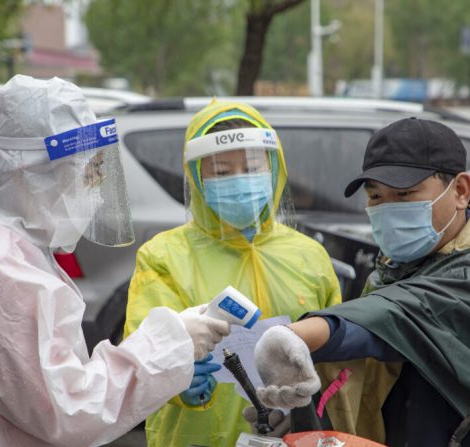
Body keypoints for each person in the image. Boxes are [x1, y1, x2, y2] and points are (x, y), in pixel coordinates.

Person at [0, 75, 231, 447]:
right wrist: (171, 341)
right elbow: (72, 411)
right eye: (88, 174)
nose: (94, 191)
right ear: (34, 171)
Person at [253, 117, 470, 446]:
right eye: (375, 197)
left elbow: (393, 319)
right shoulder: (393, 270)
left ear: (460, 191)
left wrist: (298, 335)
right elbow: (371, 367)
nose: (387, 209)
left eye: (404, 194)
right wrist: (300, 409)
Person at [124, 100, 346, 446]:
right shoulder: (164, 257)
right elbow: (141, 350)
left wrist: (312, 397)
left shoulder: (308, 256)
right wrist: (174, 380)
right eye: (223, 172)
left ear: (273, 169)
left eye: (253, 167)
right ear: (197, 178)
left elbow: (339, 353)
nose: (241, 181)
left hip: (296, 435)